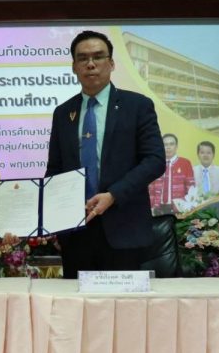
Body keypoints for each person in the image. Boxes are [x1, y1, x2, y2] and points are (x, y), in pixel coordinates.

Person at [46, 30, 165, 278]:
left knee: (124, 303)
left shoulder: (137, 106)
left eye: (98, 57)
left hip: (124, 230)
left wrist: (113, 195)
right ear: (74, 67)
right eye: (83, 58)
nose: (91, 64)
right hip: (76, 232)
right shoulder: (63, 113)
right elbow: (55, 170)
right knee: (76, 302)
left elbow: (154, 161)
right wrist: (55, 221)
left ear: (111, 63)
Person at [148, 133, 195, 213]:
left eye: (171, 144)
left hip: (179, 208)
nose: (168, 147)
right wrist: (151, 207)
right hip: (157, 209)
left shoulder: (185, 163)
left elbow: (191, 188)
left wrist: (187, 207)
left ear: (176, 146)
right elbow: (151, 189)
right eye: (165, 144)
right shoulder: (155, 164)